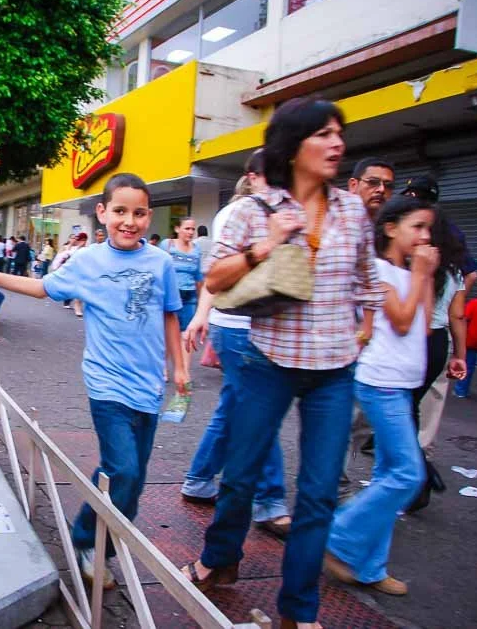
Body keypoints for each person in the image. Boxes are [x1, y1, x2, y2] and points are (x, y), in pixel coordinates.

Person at [182, 97, 383, 629]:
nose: (337, 143)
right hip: (267, 360)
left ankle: (299, 611)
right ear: (293, 147)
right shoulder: (255, 209)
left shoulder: (352, 210)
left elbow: (368, 280)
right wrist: (265, 246)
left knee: (318, 493)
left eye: (339, 133)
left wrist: (364, 330)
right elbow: (215, 279)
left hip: (334, 372)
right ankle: (220, 559)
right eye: (323, 134)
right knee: (241, 475)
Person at [0, 172, 186, 589]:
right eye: (120, 211)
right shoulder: (87, 262)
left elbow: (170, 314)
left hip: (149, 388)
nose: (130, 221)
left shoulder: (161, 262)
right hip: (107, 385)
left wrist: (181, 367)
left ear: (148, 216)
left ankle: (104, 531)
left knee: (131, 478)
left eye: (139, 213)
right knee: (123, 470)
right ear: (102, 212)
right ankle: (88, 541)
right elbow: (41, 288)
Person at [325, 196, 435, 597]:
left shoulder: (410, 273)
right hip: (379, 380)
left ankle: (370, 566)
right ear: (390, 228)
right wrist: (421, 273)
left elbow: (424, 325)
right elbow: (401, 321)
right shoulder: (376, 269)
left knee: (390, 476)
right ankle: (338, 537)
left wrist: (424, 276)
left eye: (428, 229)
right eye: (417, 227)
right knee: (408, 474)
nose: (425, 236)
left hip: (403, 381)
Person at [180, 149, 292, 538]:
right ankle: (270, 500)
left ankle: (199, 479)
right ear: (253, 177)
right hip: (240, 326)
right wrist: (202, 315)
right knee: (262, 413)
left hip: (259, 325)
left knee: (235, 408)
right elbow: (217, 274)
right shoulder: (239, 213)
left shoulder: (288, 211)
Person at [400, 176, 470, 460]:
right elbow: (458, 314)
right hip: (438, 343)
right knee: (415, 405)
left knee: (401, 408)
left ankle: (412, 468)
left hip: (410, 339)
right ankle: (418, 457)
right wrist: (460, 355)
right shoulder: (454, 268)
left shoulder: (407, 262)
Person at [338, 156, 396, 498]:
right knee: (341, 420)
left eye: (387, 185)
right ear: (354, 185)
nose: (381, 190)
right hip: (342, 340)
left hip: (379, 344)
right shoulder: (339, 225)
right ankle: (336, 489)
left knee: (362, 423)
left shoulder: (389, 232)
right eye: (373, 182)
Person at [159, 218, 203, 405]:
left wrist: (201, 303)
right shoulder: (167, 245)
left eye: (193, 229)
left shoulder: (196, 250)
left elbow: (199, 277)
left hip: (189, 296)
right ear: (177, 229)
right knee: (167, 334)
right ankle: (163, 367)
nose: (190, 232)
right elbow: (158, 270)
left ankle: (184, 371)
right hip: (169, 297)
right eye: (187, 228)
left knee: (187, 335)